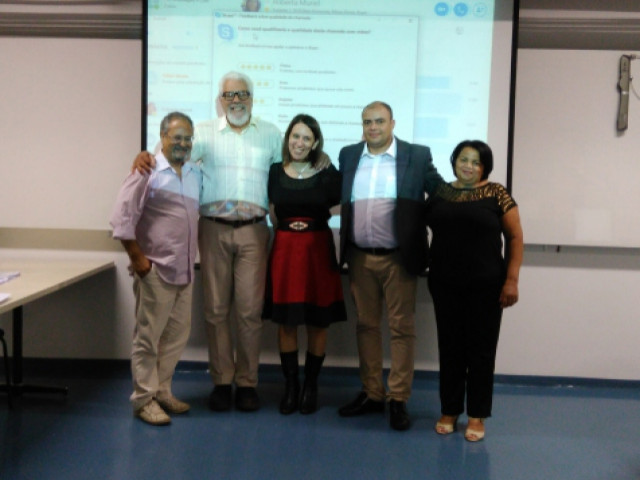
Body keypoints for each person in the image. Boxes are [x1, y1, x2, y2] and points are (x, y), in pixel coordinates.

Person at [133, 71, 281, 412]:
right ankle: (222, 382)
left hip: (255, 230)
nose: (236, 100)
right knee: (215, 311)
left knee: (250, 312)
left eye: (242, 94)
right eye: (229, 95)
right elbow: (169, 154)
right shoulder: (203, 133)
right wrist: (146, 158)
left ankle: (247, 383)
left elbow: (289, 173)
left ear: (252, 97)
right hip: (213, 228)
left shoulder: (271, 134)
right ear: (220, 100)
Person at [337, 101, 443, 431]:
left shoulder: (416, 155)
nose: (373, 127)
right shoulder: (349, 155)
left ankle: (398, 398)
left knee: (401, 329)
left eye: (379, 121)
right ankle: (372, 393)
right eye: (367, 122)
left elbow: (440, 194)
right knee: (366, 326)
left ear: (392, 123)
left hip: (399, 257)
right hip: (360, 257)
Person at [426, 140, 523, 442]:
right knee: (450, 349)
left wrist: (512, 280)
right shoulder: (440, 193)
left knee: (481, 352)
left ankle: (477, 415)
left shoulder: (497, 194)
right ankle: (450, 410)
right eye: (463, 159)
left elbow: (515, 237)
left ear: (484, 167)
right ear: (454, 161)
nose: (468, 166)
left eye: (475, 162)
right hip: (445, 285)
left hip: (486, 286)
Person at [110, 112, 201, 425]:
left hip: (184, 271)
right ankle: (143, 400)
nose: (183, 144)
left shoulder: (194, 173)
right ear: (162, 137)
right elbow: (121, 219)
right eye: (177, 137)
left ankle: (162, 391)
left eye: (188, 138)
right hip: (156, 271)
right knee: (147, 339)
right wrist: (139, 261)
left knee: (176, 337)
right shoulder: (146, 171)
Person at [263, 114, 347, 415]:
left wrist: (326, 161)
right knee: (286, 321)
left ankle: (311, 386)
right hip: (285, 252)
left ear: (315, 143)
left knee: (317, 321)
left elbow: (344, 198)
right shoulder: (274, 171)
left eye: (306, 138)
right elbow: (271, 210)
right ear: (288, 138)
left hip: (317, 252)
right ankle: (291, 386)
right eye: (295, 136)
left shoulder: (327, 172)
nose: (299, 143)